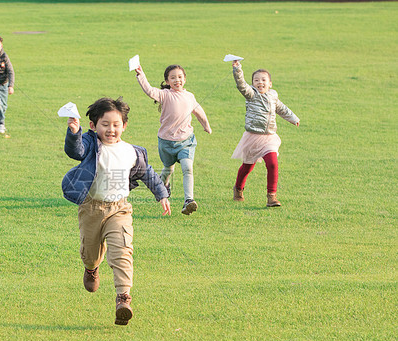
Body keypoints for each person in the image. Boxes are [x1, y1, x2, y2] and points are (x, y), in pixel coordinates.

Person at [62, 97, 171, 326]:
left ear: (124, 125)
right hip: (91, 208)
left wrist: (162, 194)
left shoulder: (132, 152)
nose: (111, 129)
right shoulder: (91, 145)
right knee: (90, 252)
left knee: (122, 250)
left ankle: (123, 298)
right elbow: (76, 151)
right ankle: (91, 269)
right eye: (105, 124)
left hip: (119, 209)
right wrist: (74, 132)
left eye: (116, 124)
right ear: (93, 126)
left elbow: (148, 174)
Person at [134, 64, 212, 215]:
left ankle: (188, 200)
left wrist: (206, 125)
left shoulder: (190, 96)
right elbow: (149, 90)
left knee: (187, 168)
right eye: (173, 78)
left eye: (180, 77)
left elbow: (198, 111)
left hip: (186, 141)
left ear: (185, 79)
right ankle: (163, 189)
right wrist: (140, 74)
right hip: (166, 142)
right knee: (168, 168)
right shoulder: (165, 94)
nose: (177, 80)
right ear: (167, 81)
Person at [230, 60, 300, 207]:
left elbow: (282, 108)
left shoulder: (273, 96)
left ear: (270, 84)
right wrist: (237, 70)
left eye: (263, 80)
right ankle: (238, 188)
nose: (260, 83)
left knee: (273, 164)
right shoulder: (251, 94)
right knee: (247, 167)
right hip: (252, 137)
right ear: (253, 84)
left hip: (269, 137)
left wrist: (293, 118)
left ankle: (271, 196)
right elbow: (241, 85)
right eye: (256, 80)